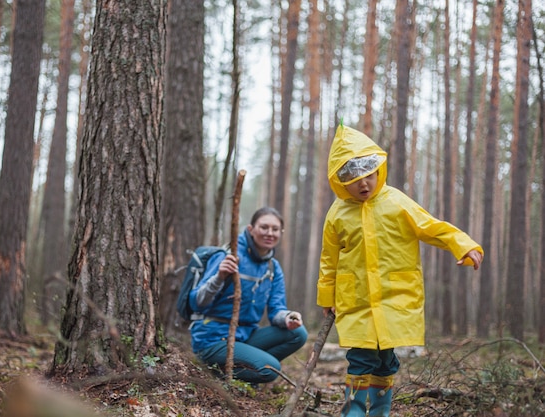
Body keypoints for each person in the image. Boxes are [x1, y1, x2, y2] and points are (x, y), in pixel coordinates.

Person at [316, 124, 484, 417]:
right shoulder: (337, 213)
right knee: (360, 359)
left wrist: (464, 245)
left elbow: (431, 226)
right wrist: (326, 297)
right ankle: (353, 412)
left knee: (386, 361)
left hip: (395, 298)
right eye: (355, 179)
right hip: (356, 301)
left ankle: (380, 412)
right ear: (341, 181)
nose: (364, 184)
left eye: (368, 175)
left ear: (378, 169)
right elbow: (328, 259)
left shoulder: (395, 201)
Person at [189, 207, 308, 384]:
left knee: (298, 333)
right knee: (270, 369)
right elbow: (196, 302)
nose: (270, 233)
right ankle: (216, 372)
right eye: (264, 227)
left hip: (245, 336)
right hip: (213, 338)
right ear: (251, 229)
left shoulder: (272, 267)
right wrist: (220, 277)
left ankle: (245, 370)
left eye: (275, 229)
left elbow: (277, 309)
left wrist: (287, 318)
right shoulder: (228, 256)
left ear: (280, 233)